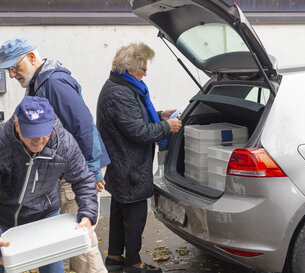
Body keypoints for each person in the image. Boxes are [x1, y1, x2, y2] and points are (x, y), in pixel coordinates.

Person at [0, 37, 110, 273]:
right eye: (7, 70)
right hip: (62, 169)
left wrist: (92, 171)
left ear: (31, 57)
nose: (11, 75)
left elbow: (84, 126)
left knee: (79, 241)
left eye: (14, 68)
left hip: (79, 165)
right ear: (18, 127)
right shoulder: (39, 82)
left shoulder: (54, 83)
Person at [96, 42, 182, 273]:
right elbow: (138, 131)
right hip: (129, 167)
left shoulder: (121, 85)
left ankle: (114, 259)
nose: (146, 73)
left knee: (118, 211)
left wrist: (159, 114)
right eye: (143, 68)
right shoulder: (121, 93)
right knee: (134, 218)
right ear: (130, 68)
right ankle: (134, 264)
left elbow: (134, 119)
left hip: (121, 165)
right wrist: (166, 127)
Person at [0, 97, 98, 273]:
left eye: (44, 132)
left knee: (53, 268)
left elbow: (83, 179)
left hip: (44, 213)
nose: (38, 139)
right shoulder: (2, 142)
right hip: (3, 216)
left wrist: (88, 215)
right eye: (31, 133)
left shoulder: (64, 144)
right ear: (17, 125)